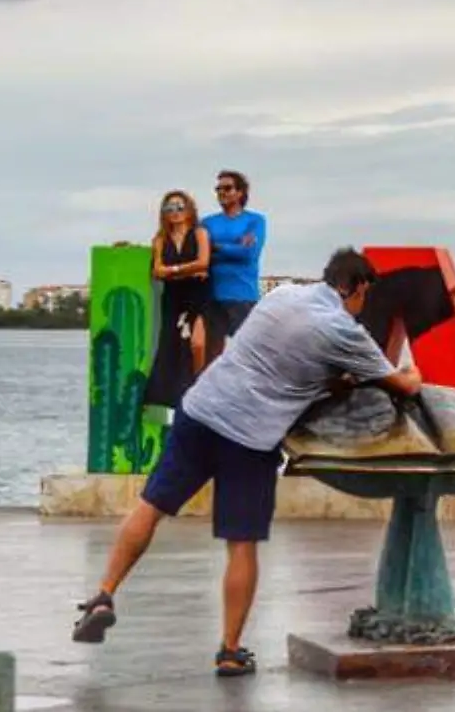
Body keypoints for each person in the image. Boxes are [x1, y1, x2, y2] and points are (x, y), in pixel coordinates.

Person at [69, 248, 420, 676]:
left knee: (151, 505)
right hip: (250, 439)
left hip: (201, 411)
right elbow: (401, 385)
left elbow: (276, 356)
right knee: (241, 544)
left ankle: (104, 592)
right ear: (357, 286)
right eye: (365, 296)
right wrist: (412, 374)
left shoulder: (282, 296)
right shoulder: (344, 331)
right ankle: (231, 651)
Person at [143, 189, 211, 412]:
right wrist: (185, 271)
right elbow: (158, 271)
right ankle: (167, 397)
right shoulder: (160, 239)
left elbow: (203, 262)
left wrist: (175, 270)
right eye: (169, 208)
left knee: (198, 344)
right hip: (173, 297)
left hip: (198, 295)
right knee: (170, 345)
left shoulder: (199, 233)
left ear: (189, 210)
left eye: (179, 207)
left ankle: (199, 389)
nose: (175, 212)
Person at [201, 169, 266, 360]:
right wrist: (233, 246)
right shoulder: (207, 222)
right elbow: (201, 254)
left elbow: (248, 253)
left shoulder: (255, 220)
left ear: (240, 192)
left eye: (227, 188)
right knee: (212, 355)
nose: (222, 192)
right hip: (212, 296)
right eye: (218, 189)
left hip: (242, 296)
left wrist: (215, 247)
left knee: (247, 354)